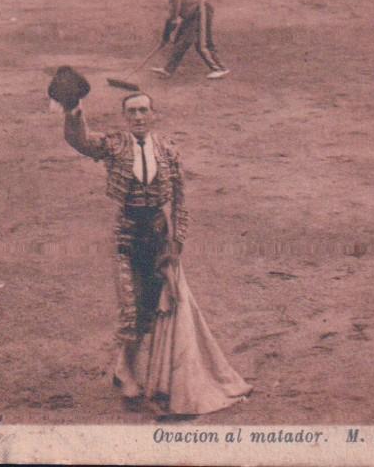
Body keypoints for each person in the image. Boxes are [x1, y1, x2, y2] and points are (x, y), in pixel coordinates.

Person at [53, 75, 250, 415]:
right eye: (133, 112)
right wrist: (73, 110)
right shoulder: (113, 145)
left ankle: (124, 365)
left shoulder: (169, 150)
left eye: (144, 111)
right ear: (125, 118)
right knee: (131, 308)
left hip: (158, 235)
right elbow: (81, 141)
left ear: (153, 114)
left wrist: (177, 242)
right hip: (127, 235)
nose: (139, 117)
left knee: (152, 307)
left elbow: (181, 202)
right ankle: (127, 370)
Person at [150, 0, 229, 79]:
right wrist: (166, 36)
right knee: (180, 40)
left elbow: (173, 18)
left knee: (202, 43)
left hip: (202, 10)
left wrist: (165, 36)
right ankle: (168, 70)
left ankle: (220, 68)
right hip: (192, 14)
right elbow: (173, 17)